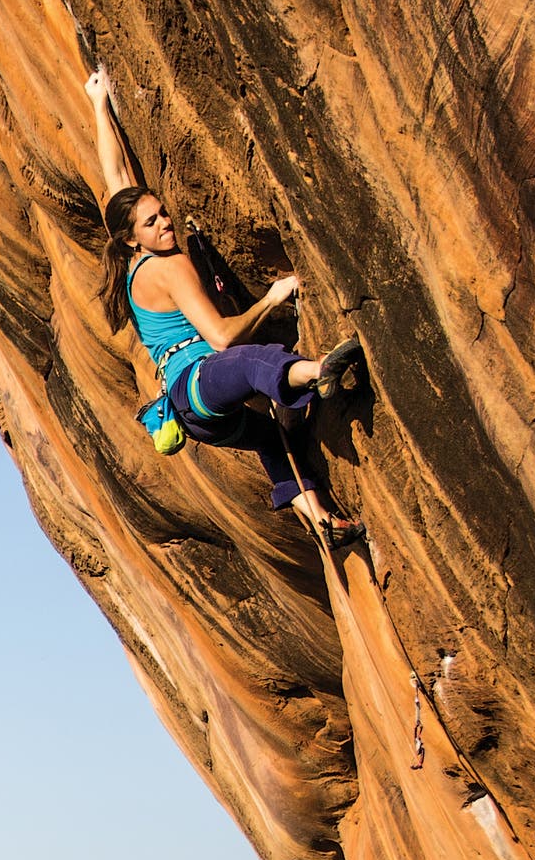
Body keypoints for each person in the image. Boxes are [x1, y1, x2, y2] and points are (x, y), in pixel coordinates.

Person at [85, 67, 365, 539]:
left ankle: (321, 522)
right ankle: (321, 372)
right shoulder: (166, 268)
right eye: (152, 223)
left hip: (199, 416)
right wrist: (271, 299)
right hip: (199, 383)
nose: (165, 224)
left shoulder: (134, 257)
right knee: (257, 362)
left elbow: (114, 176)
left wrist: (97, 102)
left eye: (163, 213)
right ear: (133, 239)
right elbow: (221, 336)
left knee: (274, 442)